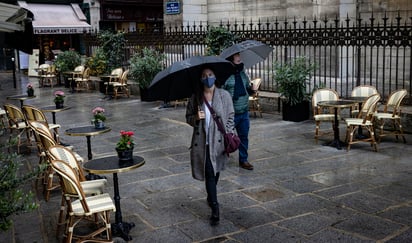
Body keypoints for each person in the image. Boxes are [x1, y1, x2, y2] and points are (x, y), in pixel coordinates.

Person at [186, 67, 235, 226]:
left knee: (216, 170)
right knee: (209, 172)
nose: (208, 78)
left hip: (219, 141)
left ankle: (210, 195)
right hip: (202, 143)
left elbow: (231, 116)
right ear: (200, 79)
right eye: (204, 76)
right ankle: (215, 207)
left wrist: (227, 131)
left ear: (215, 76)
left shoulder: (224, 95)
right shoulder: (196, 97)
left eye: (210, 74)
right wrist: (196, 117)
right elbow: (188, 117)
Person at [222, 53, 255, 170]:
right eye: (236, 56)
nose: (239, 57)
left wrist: (252, 89)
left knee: (244, 136)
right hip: (231, 113)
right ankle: (223, 157)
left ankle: (243, 160)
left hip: (244, 111)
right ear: (231, 58)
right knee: (226, 136)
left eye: (239, 55)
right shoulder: (225, 75)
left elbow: (247, 88)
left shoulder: (242, 73)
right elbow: (221, 93)